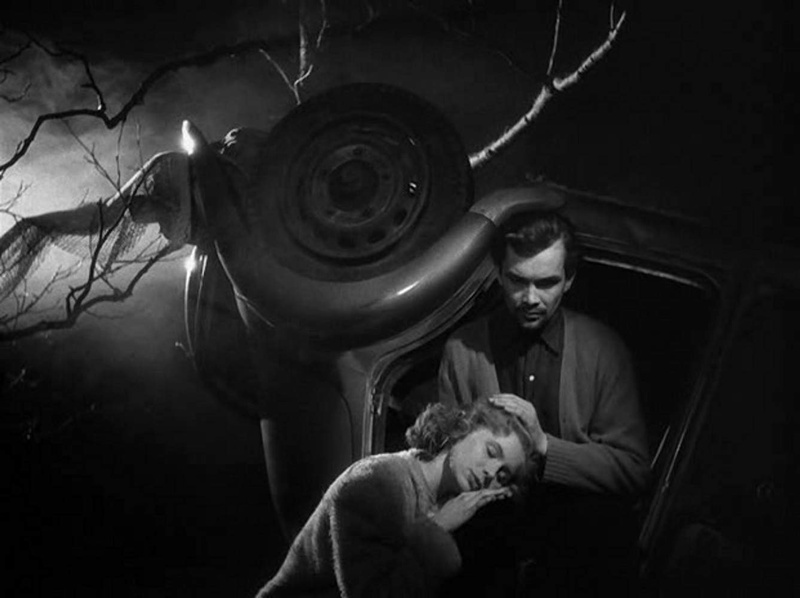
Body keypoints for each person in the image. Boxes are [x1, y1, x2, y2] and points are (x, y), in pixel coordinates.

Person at [438, 209, 651, 594]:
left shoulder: (602, 349)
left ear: (569, 280)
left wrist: (544, 446)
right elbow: (442, 458)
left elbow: (633, 470)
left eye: (547, 282)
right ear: (498, 273)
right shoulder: (463, 349)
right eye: (518, 281)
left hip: (575, 558)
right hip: (483, 555)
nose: (530, 298)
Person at [255, 399, 538, 598]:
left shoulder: (444, 505)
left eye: (503, 475)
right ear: (463, 429)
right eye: (491, 451)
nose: (490, 473)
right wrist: (437, 530)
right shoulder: (380, 482)